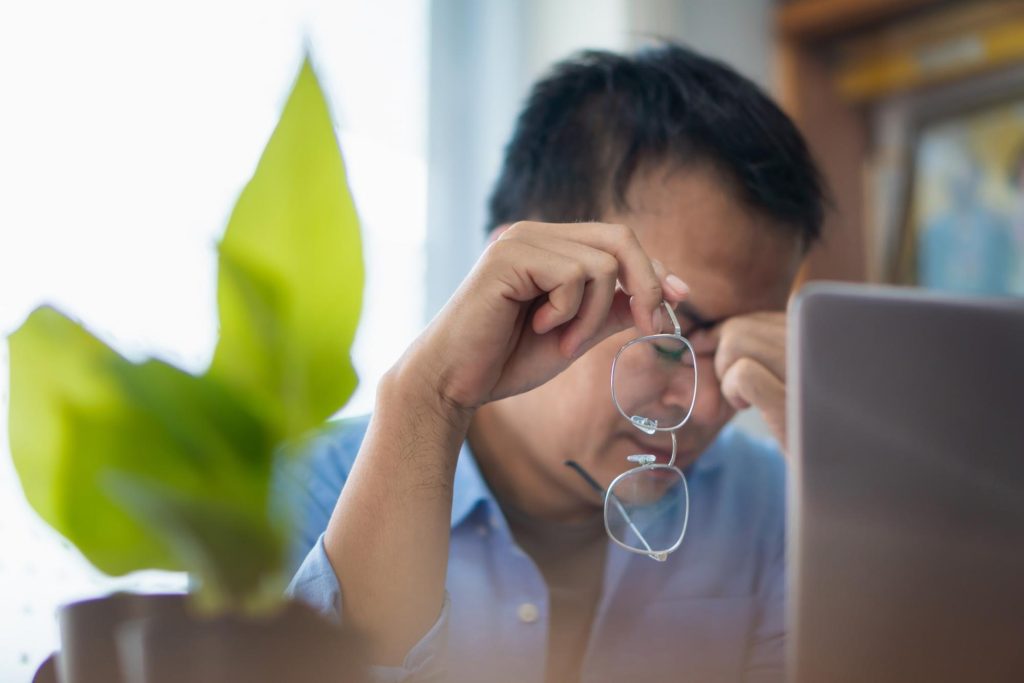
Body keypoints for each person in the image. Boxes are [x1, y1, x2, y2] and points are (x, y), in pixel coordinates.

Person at [285, 43, 825, 683]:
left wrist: (854, 505)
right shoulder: (287, 499)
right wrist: (423, 398)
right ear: (532, 277)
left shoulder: (775, 506)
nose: (707, 408)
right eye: (671, 329)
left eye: (746, 345)